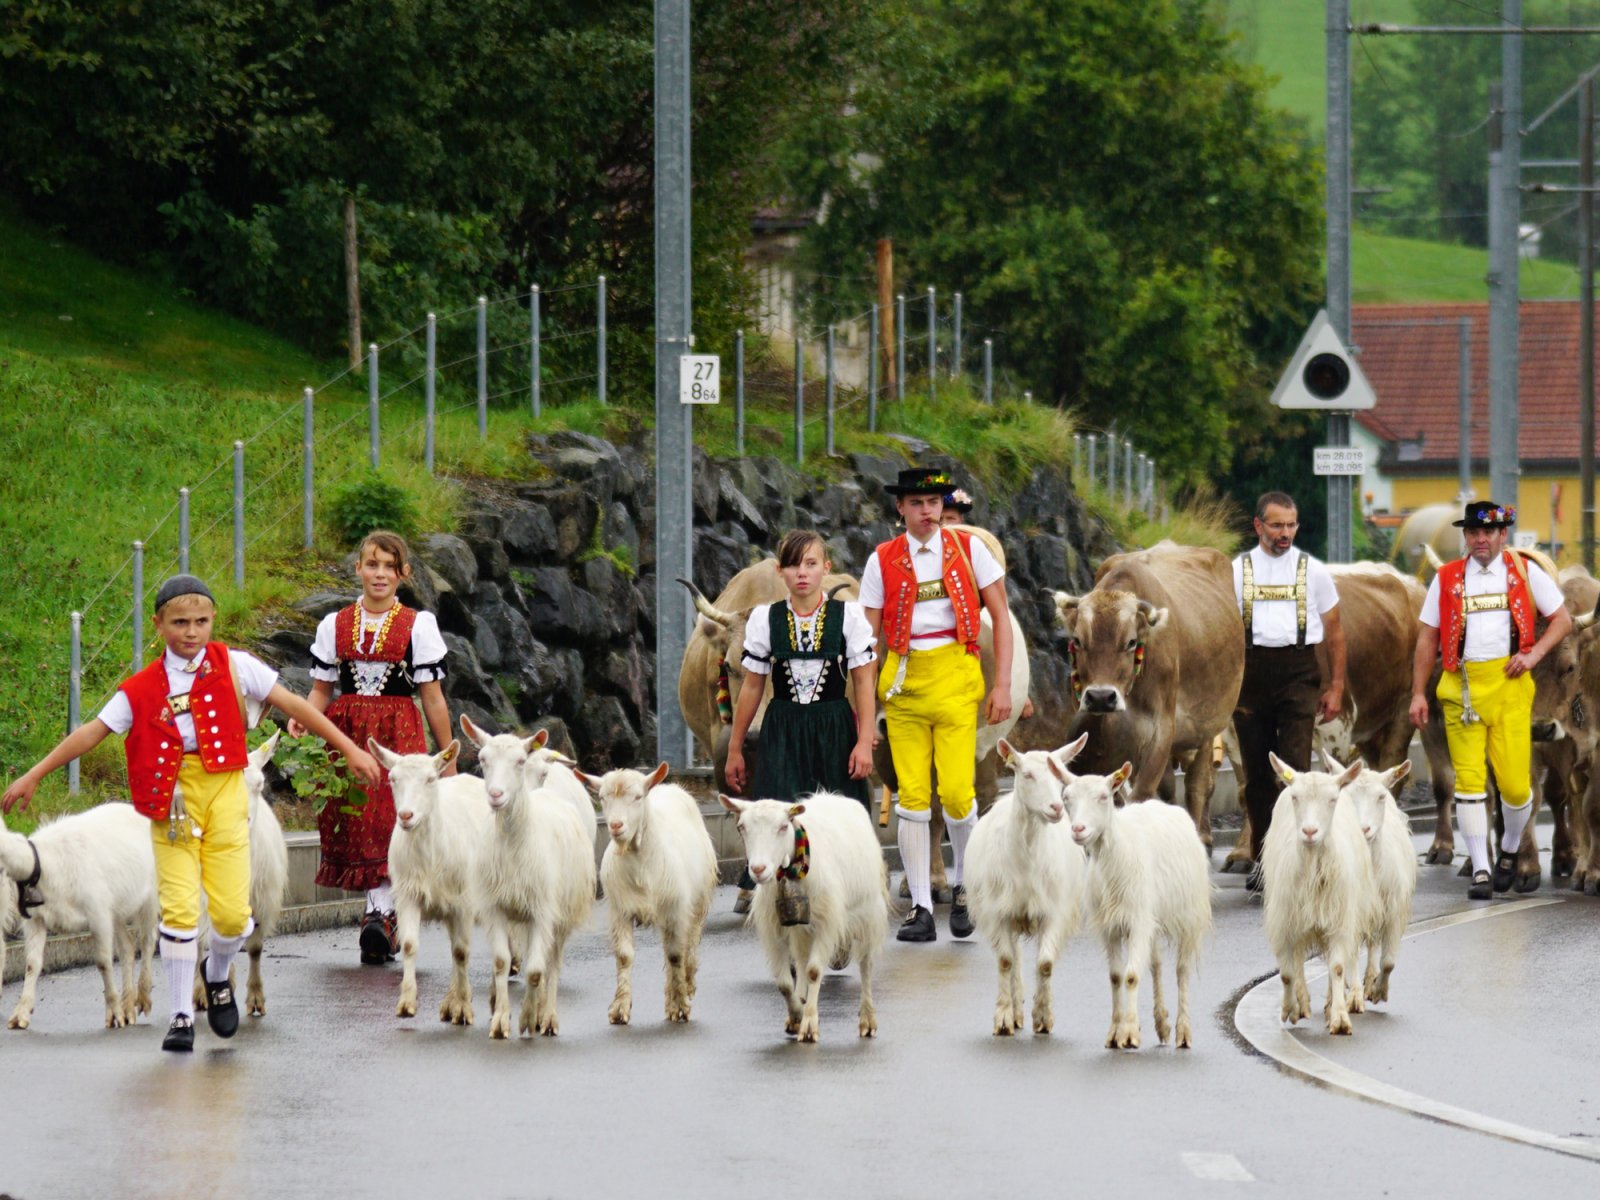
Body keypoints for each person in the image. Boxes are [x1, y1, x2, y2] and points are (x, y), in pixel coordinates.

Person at [1, 575, 381, 1052]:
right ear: (159, 625)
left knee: (230, 915)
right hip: (172, 799)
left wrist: (347, 748)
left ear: (212, 621)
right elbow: (93, 732)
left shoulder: (237, 666)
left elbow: (296, 707)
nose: (191, 631)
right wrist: (35, 773)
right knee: (180, 910)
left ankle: (218, 975)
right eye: (180, 622)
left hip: (226, 792)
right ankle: (180, 1014)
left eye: (201, 621)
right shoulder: (140, 690)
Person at [859, 467, 1013, 942]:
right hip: (904, 682)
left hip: (956, 677)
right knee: (912, 798)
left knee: (956, 792)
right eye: (916, 503)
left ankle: (966, 889)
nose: (927, 512)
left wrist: (1002, 684)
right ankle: (921, 907)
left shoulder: (970, 551)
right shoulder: (881, 559)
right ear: (900, 508)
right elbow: (866, 641)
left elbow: (1001, 618)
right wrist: (865, 713)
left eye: (934, 503)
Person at [287, 531, 453, 965]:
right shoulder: (335, 623)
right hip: (348, 733)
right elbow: (322, 688)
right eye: (372, 565)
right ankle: (379, 912)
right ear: (358, 568)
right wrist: (303, 718)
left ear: (404, 574)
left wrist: (447, 757)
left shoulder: (418, 625)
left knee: (389, 818)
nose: (380, 574)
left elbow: (432, 697)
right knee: (355, 817)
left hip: (399, 734)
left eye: (389, 567)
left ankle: (381, 915)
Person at [1409, 501, 1571, 899]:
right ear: (1465, 537)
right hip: (1460, 688)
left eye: (1488, 532)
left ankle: (1510, 849)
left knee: (1517, 789)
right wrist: (1417, 693)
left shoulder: (1526, 573)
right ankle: (1482, 868)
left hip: (1511, 689)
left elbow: (1563, 619)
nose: (1480, 540)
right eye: (1473, 533)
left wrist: (1533, 654)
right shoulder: (1446, 578)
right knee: (1469, 784)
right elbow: (1428, 636)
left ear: (1503, 536)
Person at [724, 531, 877, 913]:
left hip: (834, 729)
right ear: (780, 572)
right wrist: (734, 748)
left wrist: (863, 739)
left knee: (839, 817)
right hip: (783, 731)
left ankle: (840, 911)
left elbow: (863, 680)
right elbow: (752, 687)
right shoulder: (765, 620)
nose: (802, 573)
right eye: (793, 565)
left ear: (826, 568)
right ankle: (789, 908)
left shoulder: (848, 617)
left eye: (811, 564)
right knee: (780, 814)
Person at [1231, 490, 1346, 895]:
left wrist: (1335, 685)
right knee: (1257, 776)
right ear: (1258, 525)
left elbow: (1334, 631)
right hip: (1250, 675)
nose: (1285, 533)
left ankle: (1296, 862)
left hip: (1299, 673)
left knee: (1294, 772)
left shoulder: (1312, 570)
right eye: (1277, 525)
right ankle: (1265, 858)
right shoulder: (1236, 569)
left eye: (1291, 525)